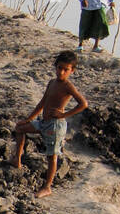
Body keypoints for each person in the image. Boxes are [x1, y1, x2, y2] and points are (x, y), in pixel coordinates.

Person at [11, 51, 88, 198]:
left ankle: (47, 187)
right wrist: (29, 119)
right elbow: (42, 102)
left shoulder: (68, 86)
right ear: (55, 67)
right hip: (43, 122)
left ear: (72, 71)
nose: (61, 72)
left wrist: (63, 115)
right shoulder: (52, 83)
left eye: (66, 69)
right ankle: (17, 160)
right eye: (59, 68)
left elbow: (83, 104)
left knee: (52, 156)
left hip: (55, 126)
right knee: (20, 128)